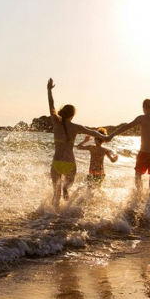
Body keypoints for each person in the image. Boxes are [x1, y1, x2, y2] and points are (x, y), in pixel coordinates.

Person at [47, 78, 106, 207]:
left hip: (57, 162)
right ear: (72, 115)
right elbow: (92, 132)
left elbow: (51, 105)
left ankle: (51, 218)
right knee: (66, 187)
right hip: (70, 162)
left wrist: (49, 90)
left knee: (55, 194)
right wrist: (106, 137)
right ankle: (67, 197)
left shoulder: (56, 123)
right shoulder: (76, 126)